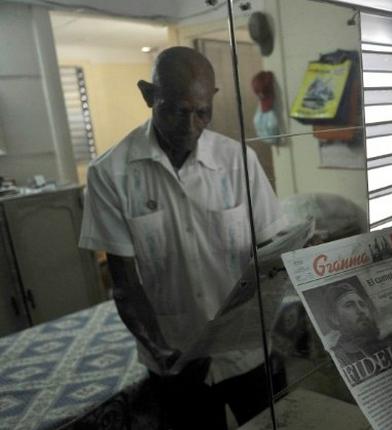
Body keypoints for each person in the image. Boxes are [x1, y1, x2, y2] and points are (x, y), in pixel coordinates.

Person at [79, 47, 286, 429]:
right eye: (175, 109)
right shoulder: (111, 173)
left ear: (212, 101)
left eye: (202, 112)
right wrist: (161, 351)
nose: (190, 126)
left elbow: (270, 251)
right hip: (175, 359)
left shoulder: (238, 161)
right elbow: (124, 284)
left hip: (248, 352)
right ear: (147, 95)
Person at [325, 282, 392, 385]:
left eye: (362, 304)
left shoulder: (389, 339)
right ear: (335, 318)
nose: (361, 311)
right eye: (349, 305)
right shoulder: (339, 358)